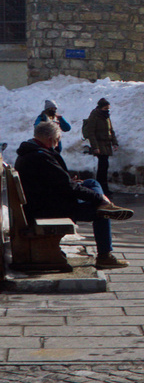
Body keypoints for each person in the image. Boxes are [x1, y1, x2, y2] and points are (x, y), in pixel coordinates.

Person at [16, 120, 133, 269]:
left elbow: (57, 182)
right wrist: (98, 198)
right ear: (51, 139)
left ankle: (105, 204)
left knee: (91, 183)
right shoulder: (41, 156)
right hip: (50, 208)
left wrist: (73, 184)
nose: (57, 144)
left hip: (44, 201)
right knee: (102, 212)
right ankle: (105, 254)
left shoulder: (29, 153)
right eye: (58, 140)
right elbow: (67, 188)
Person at [82, 97, 119, 201]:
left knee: (104, 166)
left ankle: (103, 187)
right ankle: (102, 188)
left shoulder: (106, 116)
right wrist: (95, 147)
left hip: (106, 145)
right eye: (106, 108)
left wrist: (114, 142)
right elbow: (91, 133)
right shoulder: (94, 116)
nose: (107, 110)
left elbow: (111, 130)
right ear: (101, 107)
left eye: (108, 108)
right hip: (99, 145)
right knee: (102, 167)